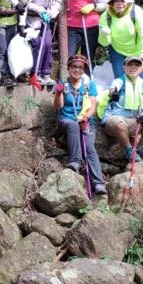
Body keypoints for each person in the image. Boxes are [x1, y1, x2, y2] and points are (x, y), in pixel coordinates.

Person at [53, 55, 106, 195]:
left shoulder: (89, 85)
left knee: (89, 148)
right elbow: (59, 106)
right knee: (72, 125)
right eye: (74, 66)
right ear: (69, 68)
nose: (77, 69)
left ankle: (98, 183)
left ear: (84, 70)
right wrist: (58, 93)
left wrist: (86, 118)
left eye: (80, 67)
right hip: (67, 120)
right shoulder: (63, 85)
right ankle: (75, 160)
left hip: (86, 121)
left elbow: (93, 106)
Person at [98, 56, 143, 162]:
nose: (133, 67)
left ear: (141, 68)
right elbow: (113, 88)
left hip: (136, 120)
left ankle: (140, 147)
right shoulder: (119, 81)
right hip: (115, 118)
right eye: (130, 65)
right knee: (120, 124)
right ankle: (129, 150)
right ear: (124, 67)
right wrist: (114, 93)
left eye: (137, 65)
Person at [19, 0, 66, 85]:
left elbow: (59, 2)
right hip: (31, 21)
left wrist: (55, 10)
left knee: (48, 44)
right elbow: (26, 2)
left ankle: (45, 73)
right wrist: (40, 10)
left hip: (45, 23)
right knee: (38, 44)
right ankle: (34, 73)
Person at [99, 0, 143, 80]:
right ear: (111, 3)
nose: (119, 4)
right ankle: (123, 95)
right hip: (117, 50)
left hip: (138, 50)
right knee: (120, 81)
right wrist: (105, 34)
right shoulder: (105, 16)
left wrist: (142, 58)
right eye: (116, 1)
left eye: (122, 0)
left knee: (142, 79)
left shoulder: (137, 12)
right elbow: (104, 42)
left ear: (127, 1)